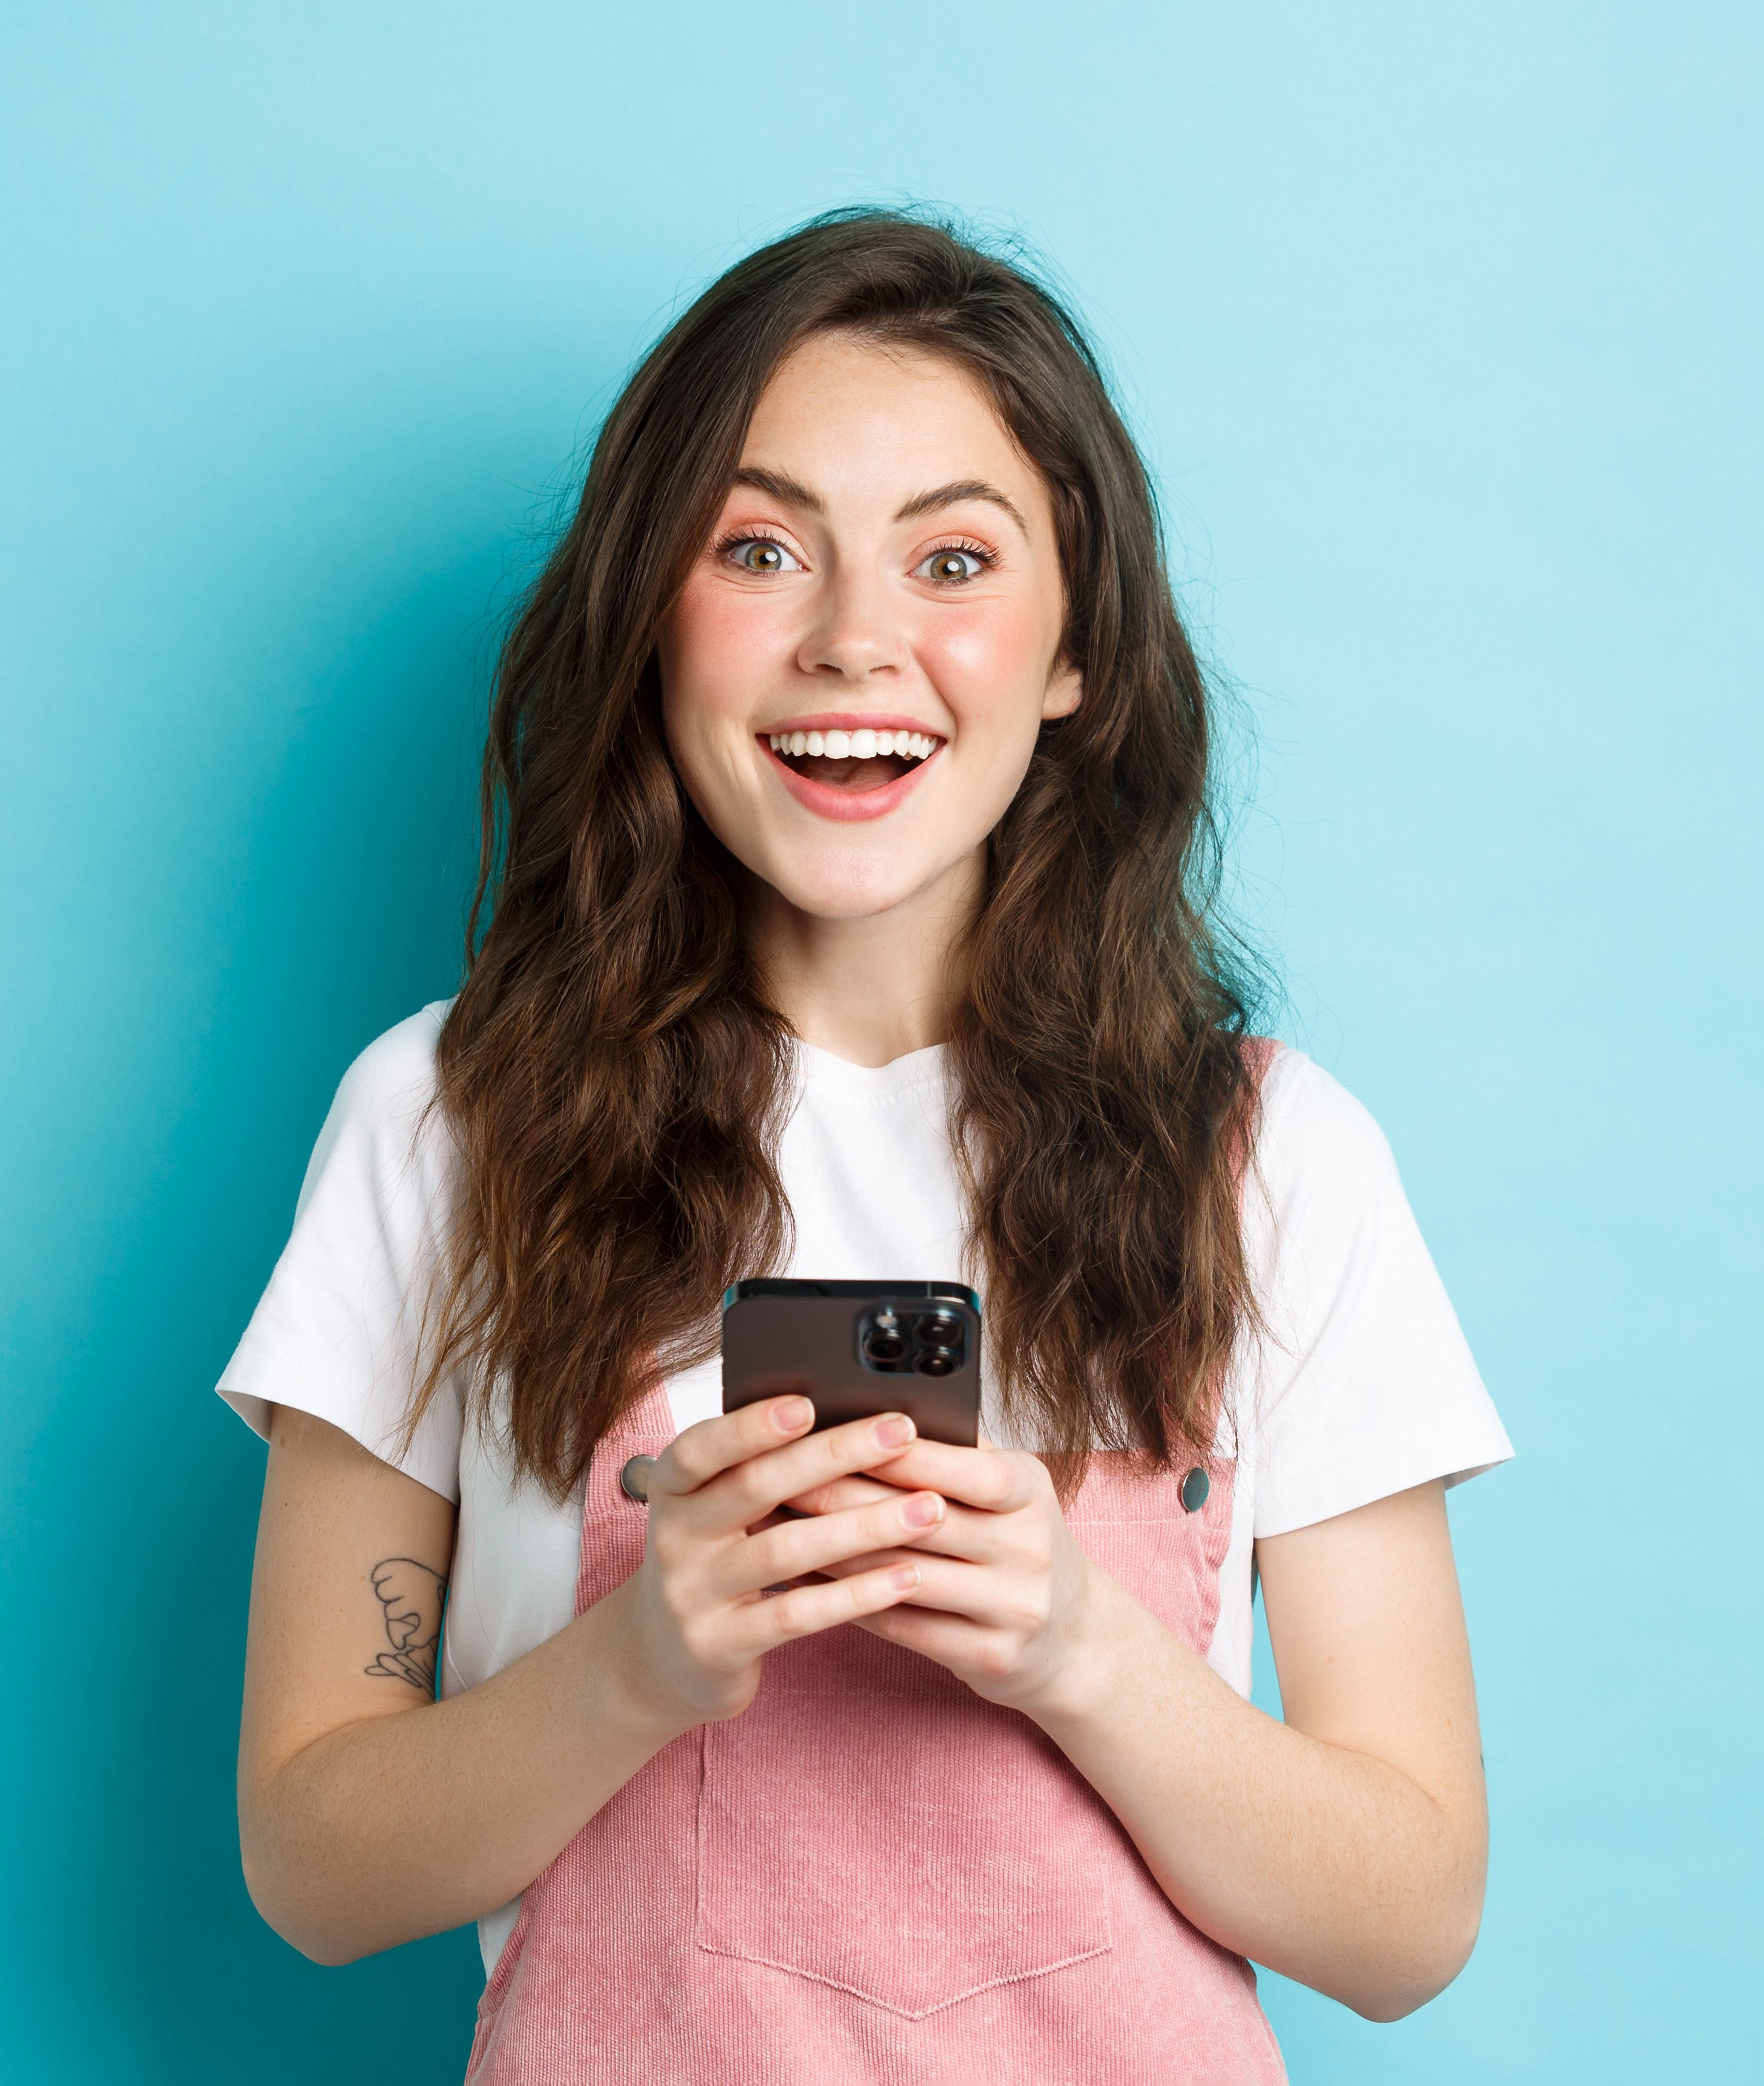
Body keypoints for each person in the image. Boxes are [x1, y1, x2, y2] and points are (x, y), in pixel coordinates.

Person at [212, 209, 1511, 2083]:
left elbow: (1409, 1918)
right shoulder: (443, 1120)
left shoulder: (1276, 1159)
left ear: (1077, 653)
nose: (852, 641)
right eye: (758, 548)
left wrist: (1073, 1643)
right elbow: (310, 1862)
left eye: (955, 560)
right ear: (650, 619)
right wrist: (637, 1663)